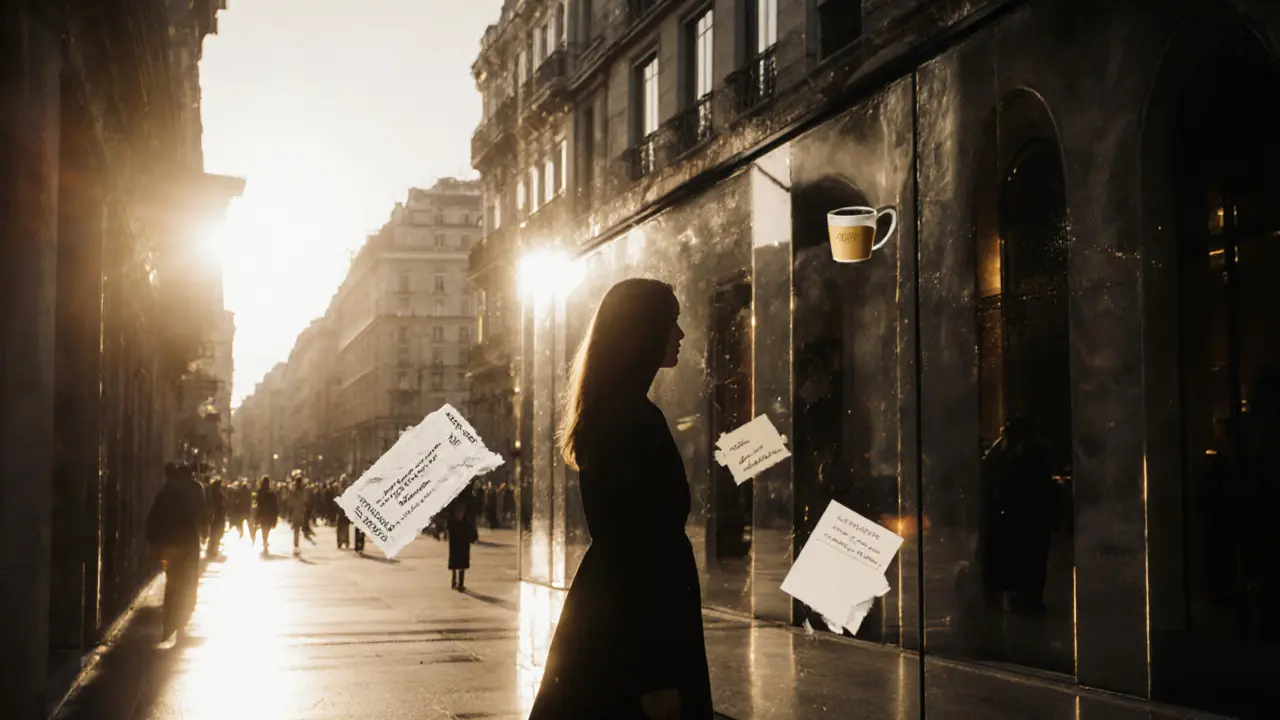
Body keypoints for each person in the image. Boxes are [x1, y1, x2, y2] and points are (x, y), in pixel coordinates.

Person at [528, 278, 711, 720]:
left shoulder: (617, 412)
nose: (681, 334)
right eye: (672, 322)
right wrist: (656, 676)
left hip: (613, 619)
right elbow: (638, 553)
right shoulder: (633, 420)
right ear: (642, 331)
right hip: (637, 638)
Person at [144, 462, 207, 644]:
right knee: (189, 581)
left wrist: (156, 542)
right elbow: (202, 515)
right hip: (189, 543)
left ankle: (170, 621)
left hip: (171, 544)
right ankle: (181, 622)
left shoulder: (168, 491)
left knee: (172, 580)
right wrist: (204, 531)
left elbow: (155, 515)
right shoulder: (196, 489)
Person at [446, 491, 475, 591]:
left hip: (456, 532)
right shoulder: (467, 502)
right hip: (462, 532)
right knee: (462, 557)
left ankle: (455, 580)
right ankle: (460, 582)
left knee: (455, 556)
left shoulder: (453, 501)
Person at [287, 476, 315, 557]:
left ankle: (296, 545)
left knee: (296, 531)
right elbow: (305, 502)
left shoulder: (293, 491)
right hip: (301, 513)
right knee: (298, 530)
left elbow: (290, 503)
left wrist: (290, 513)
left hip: (295, 513)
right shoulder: (303, 491)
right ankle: (297, 545)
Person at [254, 475, 279, 556]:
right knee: (267, 529)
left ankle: (264, 541)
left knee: (263, 528)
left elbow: (257, 503)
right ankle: (265, 541)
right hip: (269, 514)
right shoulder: (271, 492)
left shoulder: (260, 492)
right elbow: (274, 505)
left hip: (262, 513)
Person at [205, 477, 226, 560]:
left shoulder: (213, 493)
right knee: (216, 533)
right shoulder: (217, 494)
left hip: (217, 516)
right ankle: (212, 549)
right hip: (218, 516)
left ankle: (212, 549)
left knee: (215, 533)